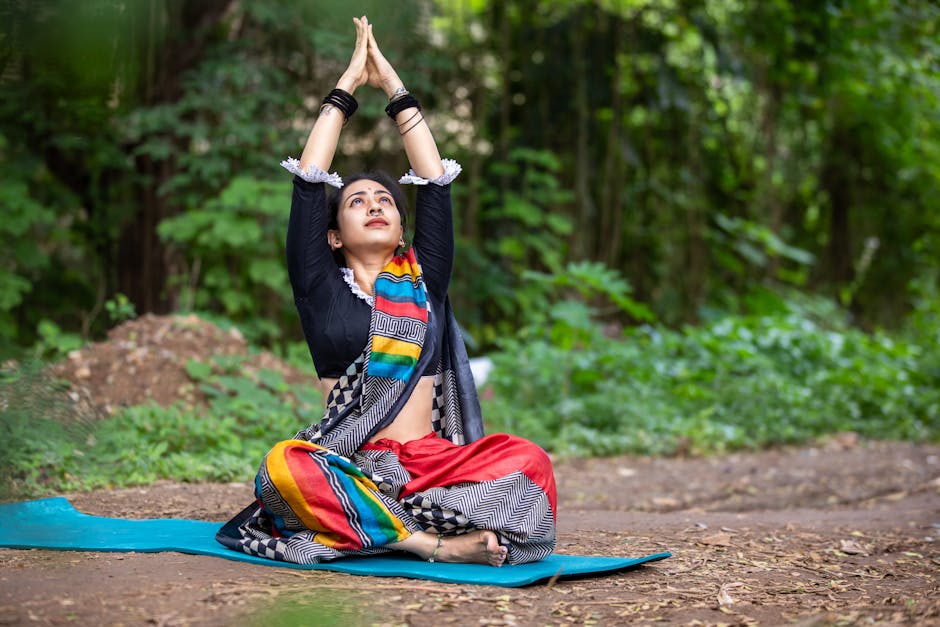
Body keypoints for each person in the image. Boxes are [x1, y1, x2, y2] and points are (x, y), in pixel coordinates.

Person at [217, 16, 556, 567]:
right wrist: (345, 89)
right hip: (350, 464)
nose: (375, 204)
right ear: (332, 236)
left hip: (428, 469)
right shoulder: (319, 286)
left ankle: (379, 526)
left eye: (385, 201)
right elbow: (308, 182)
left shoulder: (424, 280)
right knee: (284, 465)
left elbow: (437, 185)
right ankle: (427, 543)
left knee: (529, 460)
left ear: (401, 225)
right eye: (356, 201)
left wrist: (397, 93)